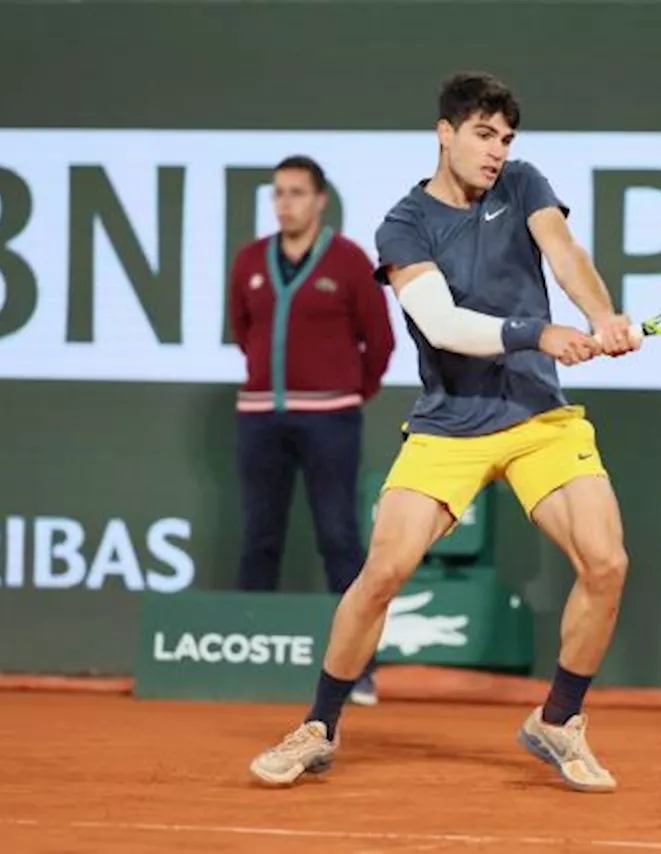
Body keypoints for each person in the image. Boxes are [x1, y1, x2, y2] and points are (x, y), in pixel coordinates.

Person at [247, 72, 639, 793]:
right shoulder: (403, 224)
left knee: (607, 563)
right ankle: (319, 726)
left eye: (506, 138)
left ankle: (558, 719)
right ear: (446, 133)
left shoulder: (522, 185)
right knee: (382, 575)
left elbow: (564, 254)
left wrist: (602, 315)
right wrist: (540, 332)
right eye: (484, 135)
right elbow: (443, 325)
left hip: (537, 418)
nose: (497, 151)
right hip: (449, 424)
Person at [228, 154, 395, 706]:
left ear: (321, 200)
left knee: (339, 539)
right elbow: (242, 329)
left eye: (297, 193)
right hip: (259, 417)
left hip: (331, 417)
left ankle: (359, 672)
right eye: (278, 193)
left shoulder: (349, 262)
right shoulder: (250, 260)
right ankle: (246, 658)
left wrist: (348, 393)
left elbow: (381, 342)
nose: (285, 203)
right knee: (259, 536)